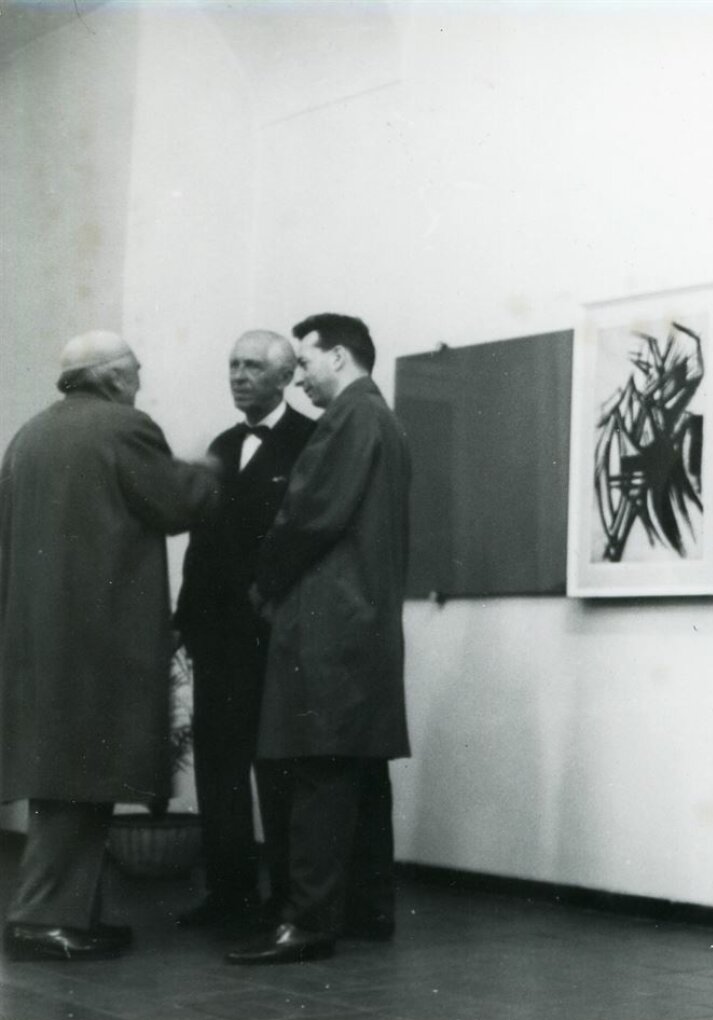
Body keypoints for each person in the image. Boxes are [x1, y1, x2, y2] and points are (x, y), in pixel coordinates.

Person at [0, 331, 218, 961]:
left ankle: (74, 914)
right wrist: (210, 471)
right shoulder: (124, 427)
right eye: (136, 370)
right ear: (115, 376)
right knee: (80, 779)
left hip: (40, 640)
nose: (141, 381)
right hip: (97, 640)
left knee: (65, 778)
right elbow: (176, 502)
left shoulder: (28, 436)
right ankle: (42, 921)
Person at [226, 313, 411, 965]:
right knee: (358, 769)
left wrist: (264, 582)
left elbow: (308, 516)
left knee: (318, 769)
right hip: (364, 619)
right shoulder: (381, 418)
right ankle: (367, 909)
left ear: (337, 357)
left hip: (329, 621)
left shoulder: (348, 419)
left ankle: (307, 922)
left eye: (304, 363)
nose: (298, 379)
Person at [173, 331, 314, 929]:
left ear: (284, 378)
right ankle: (228, 893)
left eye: (253, 366)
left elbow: (306, 537)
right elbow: (201, 544)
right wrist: (183, 620)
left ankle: (286, 898)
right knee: (219, 766)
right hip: (216, 635)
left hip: (275, 632)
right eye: (233, 365)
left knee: (278, 768)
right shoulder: (224, 445)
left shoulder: (311, 440)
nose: (238, 376)